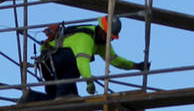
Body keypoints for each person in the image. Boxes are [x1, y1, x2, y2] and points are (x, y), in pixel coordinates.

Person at [20, 16, 150, 103]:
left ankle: (30, 98)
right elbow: (82, 63)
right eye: (109, 36)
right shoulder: (86, 38)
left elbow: (115, 60)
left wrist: (137, 66)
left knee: (57, 100)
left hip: (53, 67)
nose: (110, 39)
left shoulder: (101, 43)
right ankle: (63, 93)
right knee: (67, 93)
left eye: (112, 37)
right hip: (53, 63)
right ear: (102, 30)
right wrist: (89, 82)